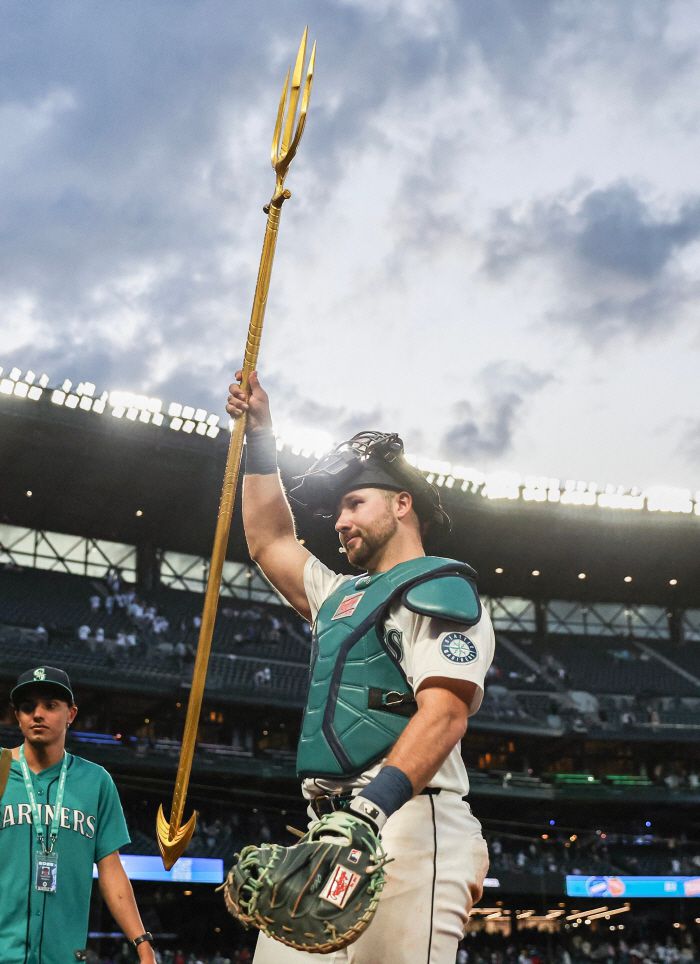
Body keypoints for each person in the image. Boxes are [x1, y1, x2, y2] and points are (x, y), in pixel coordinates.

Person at [226, 372, 495, 964]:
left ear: (402, 504)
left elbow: (445, 714)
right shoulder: (340, 594)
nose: (339, 521)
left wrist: (369, 811)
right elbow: (269, 540)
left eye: (355, 504)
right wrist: (261, 436)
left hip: (407, 821)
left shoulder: (441, 587)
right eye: (338, 510)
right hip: (327, 833)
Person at [0, 665, 156, 964]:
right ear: (17, 716)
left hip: (63, 956)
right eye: (28, 707)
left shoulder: (95, 781)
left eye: (50, 706)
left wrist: (142, 941)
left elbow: (111, 869)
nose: (38, 714)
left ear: (70, 714)